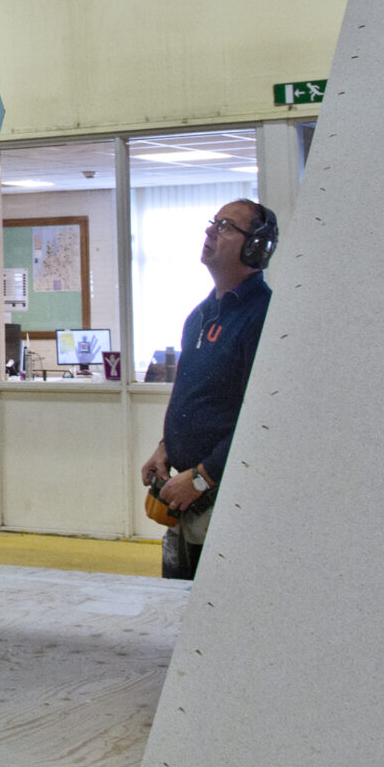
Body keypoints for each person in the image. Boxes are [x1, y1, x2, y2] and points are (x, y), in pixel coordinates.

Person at [142, 198, 276, 581]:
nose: (210, 231)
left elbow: (263, 418)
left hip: (225, 497)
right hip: (186, 491)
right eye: (213, 222)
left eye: (225, 226)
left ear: (255, 247)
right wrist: (165, 446)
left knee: (215, 605)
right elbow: (194, 395)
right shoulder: (199, 316)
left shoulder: (263, 317)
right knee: (175, 604)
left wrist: (203, 477)